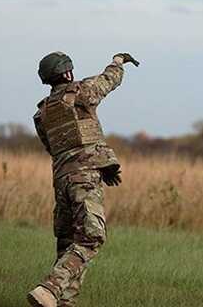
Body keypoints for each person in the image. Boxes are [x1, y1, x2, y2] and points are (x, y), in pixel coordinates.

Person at [27, 51, 139, 307]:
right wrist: (118, 61)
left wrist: (102, 165)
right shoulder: (80, 91)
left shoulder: (42, 113)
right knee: (92, 237)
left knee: (69, 244)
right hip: (84, 179)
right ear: (67, 73)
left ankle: (62, 302)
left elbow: (55, 148)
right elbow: (108, 81)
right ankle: (50, 288)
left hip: (62, 181)